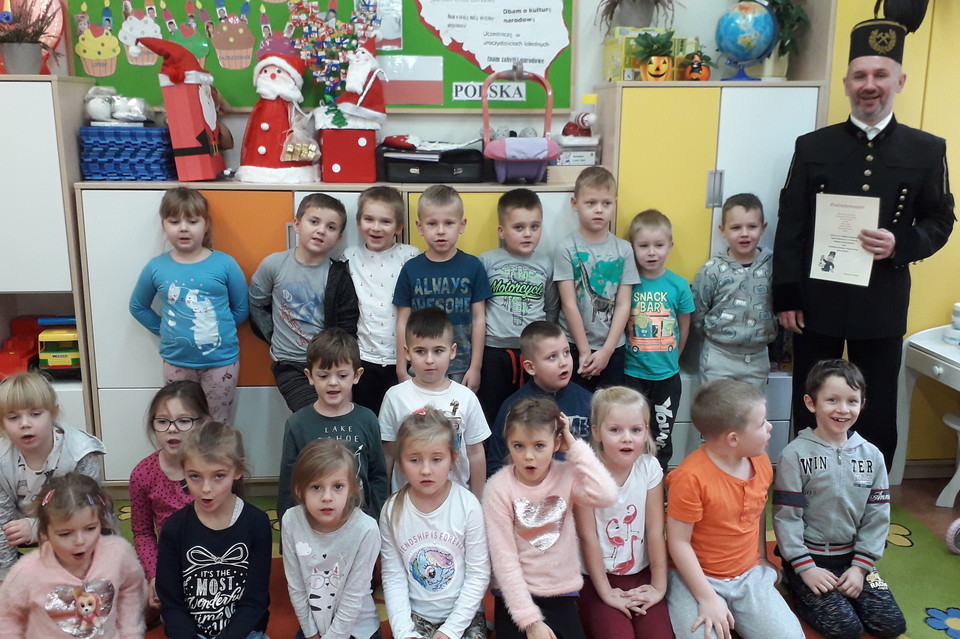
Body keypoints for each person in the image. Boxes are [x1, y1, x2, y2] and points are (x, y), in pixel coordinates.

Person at [772, 3, 954, 470]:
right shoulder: (813, 146)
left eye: (880, 74)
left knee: (874, 405)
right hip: (817, 299)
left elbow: (940, 220)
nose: (869, 85)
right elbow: (791, 224)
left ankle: (871, 492)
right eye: (860, 75)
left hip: (882, 300)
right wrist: (786, 297)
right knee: (812, 398)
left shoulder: (926, 149)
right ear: (846, 83)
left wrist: (901, 244)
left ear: (899, 81)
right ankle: (806, 483)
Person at [773, 359, 906, 639]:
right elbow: (786, 518)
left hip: (853, 559)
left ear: (862, 404)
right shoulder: (794, 455)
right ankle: (797, 588)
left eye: (852, 401)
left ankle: (847, 586)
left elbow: (877, 517)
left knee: (892, 625)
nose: (843, 409)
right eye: (832, 400)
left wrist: (860, 568)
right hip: (808, 560)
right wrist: (805, 568)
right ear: (811, 403)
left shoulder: (873, 456)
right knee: (847, 630)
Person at [666, 379, 803, 639]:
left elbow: (757, 511)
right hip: (696, 578)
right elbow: (678, 543)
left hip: (748, 574)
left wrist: (762, 558)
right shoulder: (690, 478)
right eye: (761, 423)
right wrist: (707, 598)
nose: (770, 427)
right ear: (733, 439)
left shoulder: (761, 461)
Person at [484, 396, 617, 639]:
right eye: (518, 446)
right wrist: (530, 621)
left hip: (561, 594)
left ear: (556, 443)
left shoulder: (566, 475)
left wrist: (574, 446)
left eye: (539, 446)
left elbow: (606, 494)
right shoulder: (498, 488)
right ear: (508, 443)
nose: (528, 456)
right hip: (515, 598)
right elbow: (504, 561)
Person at [129, 187, 249, 423]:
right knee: (182, 422)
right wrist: (164, 330)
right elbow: (138, 307)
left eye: (192, 221)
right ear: (164, 225)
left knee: (217, 423)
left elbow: (242, 308)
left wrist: (216, 329)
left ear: (206, 224)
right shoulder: (156, 267)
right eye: (174, 222)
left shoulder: (225, 264)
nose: (183, 228)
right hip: (176, 362)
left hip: (221, 362)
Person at [379, 406, 490, 639]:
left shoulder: (468, 505)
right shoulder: (392, 510)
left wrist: (450, 630)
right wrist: (404, 632)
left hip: (464, 617)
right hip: (416, 618)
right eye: (415, 460)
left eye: (437, 459)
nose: (426, 470)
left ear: (452, 460)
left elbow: (478, 573)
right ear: (401, 462)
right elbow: (393, 577)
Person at [156, 421, 272, 639]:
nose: (206, 489)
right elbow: (172, 603)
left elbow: (254, 601)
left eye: (218, 476)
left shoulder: (257, 523)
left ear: (237, 471)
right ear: (183, 473)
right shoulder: (175, 528)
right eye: (195, 476)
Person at [574, 386, 672, 639]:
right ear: (597, 432)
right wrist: (606, 592)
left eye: (636, 430)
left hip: (640, 574)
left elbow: (654, 530)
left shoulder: (649, 468)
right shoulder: (585, 474)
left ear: (646, 431)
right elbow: (588, 537)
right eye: (615, 430)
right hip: (596, 577)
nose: (627, 438)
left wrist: (658, 586)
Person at [249, 192, 360, 413]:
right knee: (310, 414)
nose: (321, 230)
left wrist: (339, 363)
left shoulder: (338, 275)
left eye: (331, 227)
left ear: (339, 237)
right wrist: (272, 335)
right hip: (288, 363)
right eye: (314, 222)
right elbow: (256, 304)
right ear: (297, 225)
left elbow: (347, 326)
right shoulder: (274, 265)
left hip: (328, 365)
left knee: (334, 416)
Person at [0, 473, 147, 637]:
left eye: (90, 529)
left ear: (101, 523)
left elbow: (132, 588)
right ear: (44, 533)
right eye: (65, 534)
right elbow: (6, 616)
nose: (80, 541)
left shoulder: (118, 553)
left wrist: (130, 632)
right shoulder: (27, 572)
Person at [0, 372, 105, 581]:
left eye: (35, 414)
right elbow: (3, 520)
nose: (25, 424)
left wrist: (37, 528)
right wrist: (8, 579)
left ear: (53, 413)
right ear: (2, 424)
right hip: (20, 529)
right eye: (13, 417)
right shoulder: (2, 460)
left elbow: (90, 514)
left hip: (75, 526)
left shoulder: (80, 453)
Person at [277, 328, 388, 523]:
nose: (333, 383)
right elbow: (289, 481)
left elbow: (377, 476)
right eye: (323, 376)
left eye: (342, 375)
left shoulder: (367, 419)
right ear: (310, 376)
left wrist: (375, 519)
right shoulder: (297, 424)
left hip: (359, 523)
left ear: (357, 375)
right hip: (312, 523)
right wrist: (288, 526)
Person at [380, 307, 490, 500]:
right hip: (407, 502)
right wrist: (384, 501)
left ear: (452, 351)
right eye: (420, 351)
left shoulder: (466, 397)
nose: (429, 360)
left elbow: (475, 453)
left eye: (438, 351)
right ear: (407, 352)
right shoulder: (395, 397)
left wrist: (479, 501)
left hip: (457, 502)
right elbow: (388, 454)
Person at [393, 184, 493, 391]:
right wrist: (401, 369)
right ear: (420, 227)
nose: (440, 231)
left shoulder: (473, 267)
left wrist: (476, 367)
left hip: (461, 367)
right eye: (432, 223)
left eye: (448, 223)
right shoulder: (411, 269)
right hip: (420, 366)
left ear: (462, 225)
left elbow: (479, 319)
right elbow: (402, 322)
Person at [282, 438, 382, 639]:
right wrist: (311, 633)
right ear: (300, 490)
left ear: (351, 489)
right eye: (316, 487)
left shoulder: (366, 529)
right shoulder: (291, 520)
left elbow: (353, 596)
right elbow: (296, 586)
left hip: (357, 630)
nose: (327, 497)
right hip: (314, 630)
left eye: (337, 486)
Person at [477, 188, 559, 426]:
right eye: (519, 227)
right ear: (501, 231)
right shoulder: (486, 261)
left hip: (533, 352)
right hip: (494, 351)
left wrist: (541, 342)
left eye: (535, 226)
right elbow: (478, 310)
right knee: (493, 412)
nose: (528, 234)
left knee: (532, 412)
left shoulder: (546, 264)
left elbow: (551, 309)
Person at [555, 166, 640, 392]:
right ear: (575, 204)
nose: (599, 210)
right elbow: (569, 303)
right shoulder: (566, 248)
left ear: (615, 204)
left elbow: (623, 304)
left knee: (610, 409)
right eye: (591, 203)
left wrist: (607, 351)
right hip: (573, 347)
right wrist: (584, 351)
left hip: (613, 349)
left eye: (606, 203)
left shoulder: (625, 250)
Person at [129, 381, 209, 609]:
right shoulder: (143, 473)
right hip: (169, 561)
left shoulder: (215, 468)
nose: (172, 429)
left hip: (213, 558)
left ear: (203, 423)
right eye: (163, 421)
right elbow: (142, 532)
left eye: (183, 421)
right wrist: (155, 574)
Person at [342, 186, 420, 414]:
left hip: (403, 359)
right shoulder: (349, 256)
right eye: (369, 219)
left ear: (399, 227)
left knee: (403, 421)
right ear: (359, 222)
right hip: (364, 358)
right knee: (367, 418)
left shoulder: (410, 256)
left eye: (385, 221)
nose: (376, 227)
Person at [625, 209, 694, 469]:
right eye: (643, 246)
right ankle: (630, 477)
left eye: (659, 245)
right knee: (630, 430)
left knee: (662, 435)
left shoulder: (679, 285)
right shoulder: (628, 283)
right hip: (632, 373)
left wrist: (672, 358)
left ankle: (658, 479)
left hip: (667, 377)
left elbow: (684, 328)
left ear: (670, 246)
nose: (651, 252)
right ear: (632, 247)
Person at [485, 321, 592, 477]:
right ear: (530, 367)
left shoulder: (588, 401)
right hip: (528, 487)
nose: (563, 362)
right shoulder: (513, 407)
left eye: (566, 352)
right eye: (552, 357)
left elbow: (600, 458)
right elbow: (496, 464)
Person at [692, 193, 776, 390]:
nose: (744, 234)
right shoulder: (712, 269)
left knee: (752, 409)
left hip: (757, 359)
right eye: (736, 227)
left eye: (752, 226)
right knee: (714, 407)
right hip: (718, 357)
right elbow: (698, 312)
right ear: (722, 230)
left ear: (763, 227)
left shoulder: (773, 265)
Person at [235, 32, 316, 183]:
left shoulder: (288, 104)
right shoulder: (262, 104)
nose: (272, 75)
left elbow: (296, 122)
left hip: (287, 165)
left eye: (278, 71)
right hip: (257, 165)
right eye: (266, 71)